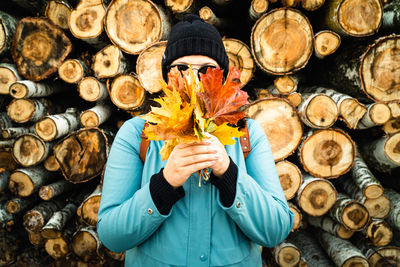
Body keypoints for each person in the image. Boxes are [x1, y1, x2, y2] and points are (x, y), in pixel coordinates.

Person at [97, 14, 294, 267]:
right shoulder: (138, 134)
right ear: (167, 76)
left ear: (221, 78)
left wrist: (228, 173)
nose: (192, 79)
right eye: (181, 69)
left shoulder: (247, 134)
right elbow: (112, 236)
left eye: (206, 70)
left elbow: (276, 230)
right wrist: (165, 185)